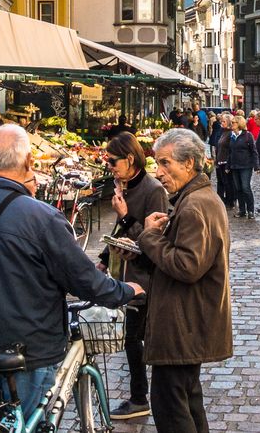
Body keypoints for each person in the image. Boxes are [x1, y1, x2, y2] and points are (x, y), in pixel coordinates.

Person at [0, 126, 140, 426]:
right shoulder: (43, 218)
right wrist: (125, 291)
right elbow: (83, 279)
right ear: (29, 162)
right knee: (31, 421)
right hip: (32, 346)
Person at [136, 128, 231, 433]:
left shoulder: (196, 204)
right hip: (186, 322)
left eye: (165, 163)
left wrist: (148, 238)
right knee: (187, 403)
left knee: (172, 409)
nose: (158, 172)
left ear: (189, 163)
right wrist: (143, 250)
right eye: (157, 163)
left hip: (184, 324)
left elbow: (187, 265)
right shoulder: (194, 199)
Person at [105, 134, 167, 423]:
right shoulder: (125, 186)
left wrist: (126, 216)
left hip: (146, 277)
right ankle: (142, 395)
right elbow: (121, 229)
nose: (110, 166)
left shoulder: (153, 190)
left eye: (113, 161)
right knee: (133, 337)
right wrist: (104, 259)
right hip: (129, 274)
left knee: (134, 338)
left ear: (129, 159)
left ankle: (140, 398)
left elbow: (154, 241)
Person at [216, 114, 257, 220]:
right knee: (238, 189)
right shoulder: (233, 136)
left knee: (245, 188)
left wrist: (256, 166)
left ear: (239, 124)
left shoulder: (248, 135)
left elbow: (254, 151)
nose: (232, 124)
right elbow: (230, 152)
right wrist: (228, 165)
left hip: (245, 166)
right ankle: (242, 210)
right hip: (234, 166)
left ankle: (251, 210)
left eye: (234, 123)